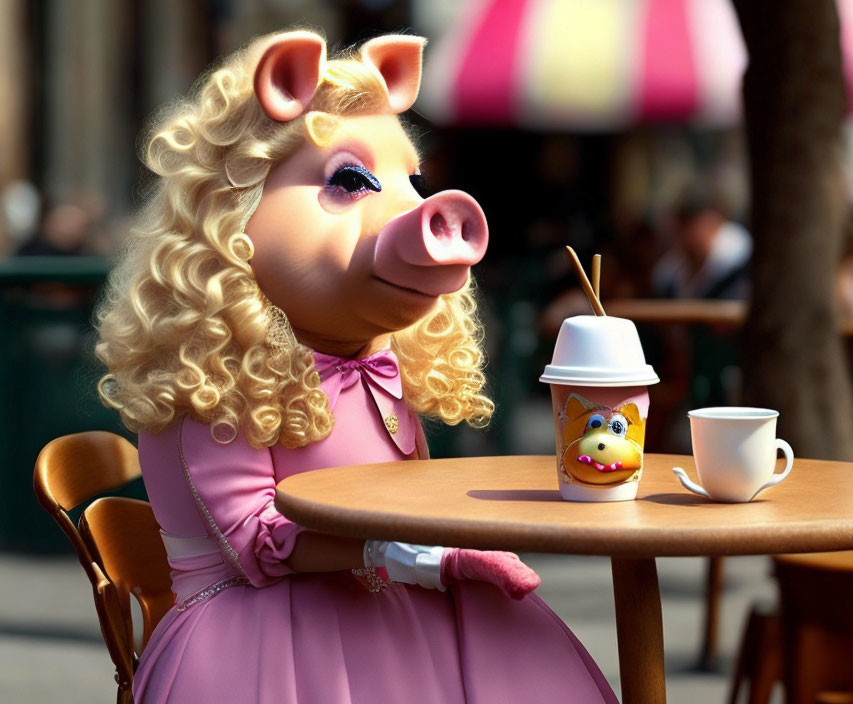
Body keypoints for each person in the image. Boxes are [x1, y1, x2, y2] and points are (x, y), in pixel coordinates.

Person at [95, 29, 617, 703]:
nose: (408, 207)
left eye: (412, 181)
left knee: (524, 655)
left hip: (384, 600)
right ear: (234, 208)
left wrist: (447, 542)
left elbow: (395, 502)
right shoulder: (214, 371)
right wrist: (421, 558)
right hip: (258, 630)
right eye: (350, 181)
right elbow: (258, 543)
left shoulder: (372, 359)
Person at [652, 188, 752, 300]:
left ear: (711, 220)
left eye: (687, 224)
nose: (681, 235)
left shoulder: (743, 268)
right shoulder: (669, 274)